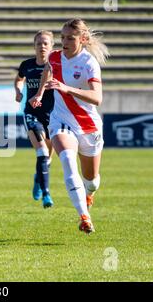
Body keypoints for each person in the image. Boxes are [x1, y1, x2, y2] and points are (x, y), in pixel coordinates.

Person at [29, 18, 109, 234]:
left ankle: (89, 194)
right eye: (62, 37)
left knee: (91, 181)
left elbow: (97, 98)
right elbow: (48, 70)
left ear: (82, 39)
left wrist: (66, 88)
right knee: (66, 158)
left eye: (69, 38)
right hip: (61, 120)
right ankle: (84, 216)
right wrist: (39, 93)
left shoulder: (88, 63)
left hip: (88, 126)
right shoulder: (55, 57)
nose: (63, 41)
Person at [14, 30, 55, 208]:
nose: (42, 46)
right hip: (32, 113)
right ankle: (46, 194)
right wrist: (18, 91)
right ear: (34, 46)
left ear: (52, 46)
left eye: (46, 43)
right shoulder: (27, 65)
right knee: (42, 152)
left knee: (48, 159)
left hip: (53, 115)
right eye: (39, 43)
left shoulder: (56, 65)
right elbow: (19, 79)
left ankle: (38, 178)